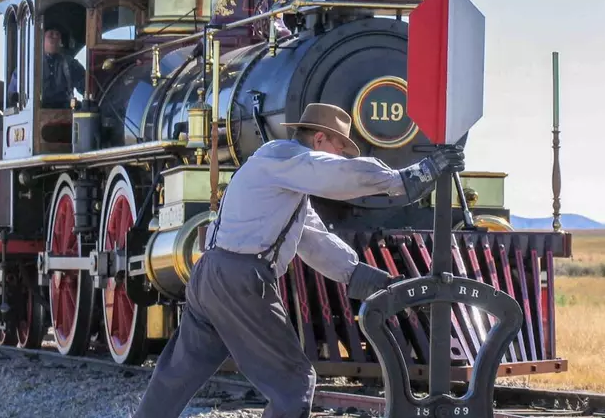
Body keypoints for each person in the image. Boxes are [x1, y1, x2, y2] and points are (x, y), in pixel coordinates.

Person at [131, 103, 464, 418]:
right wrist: (409, 178)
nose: (339, 157)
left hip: (209, 275)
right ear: (319, 139)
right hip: (242, 280)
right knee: (294, 381)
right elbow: (338, 174)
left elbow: (314, 240)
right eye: (338, 149)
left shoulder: (281, 176)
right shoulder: (287, 157)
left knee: (178, 372)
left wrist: (374, 282)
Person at [6, 24, 86, 109]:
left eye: (58, 34)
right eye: (51, 33)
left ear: (61, 42)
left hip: (67, 113)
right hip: (37, 113)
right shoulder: (27, 66)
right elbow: (12, 94)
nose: (54, 36)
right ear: (41, 39)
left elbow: (86, 88)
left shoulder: (71, 64)